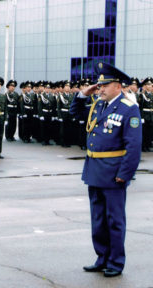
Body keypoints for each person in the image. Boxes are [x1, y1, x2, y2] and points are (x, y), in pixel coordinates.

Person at [70, 62, 142, 277]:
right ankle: (102, 258)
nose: (99, 89)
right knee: (98, 219)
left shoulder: (129, 109)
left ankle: (116, 262)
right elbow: (75, 113)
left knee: (115, 220)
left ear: (118, 86)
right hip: (94, 171)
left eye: (105, 85)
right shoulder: (98, 105)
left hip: (113, 173)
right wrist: (83, 94)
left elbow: (133, 146)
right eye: (99, 85)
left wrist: (125, 174)